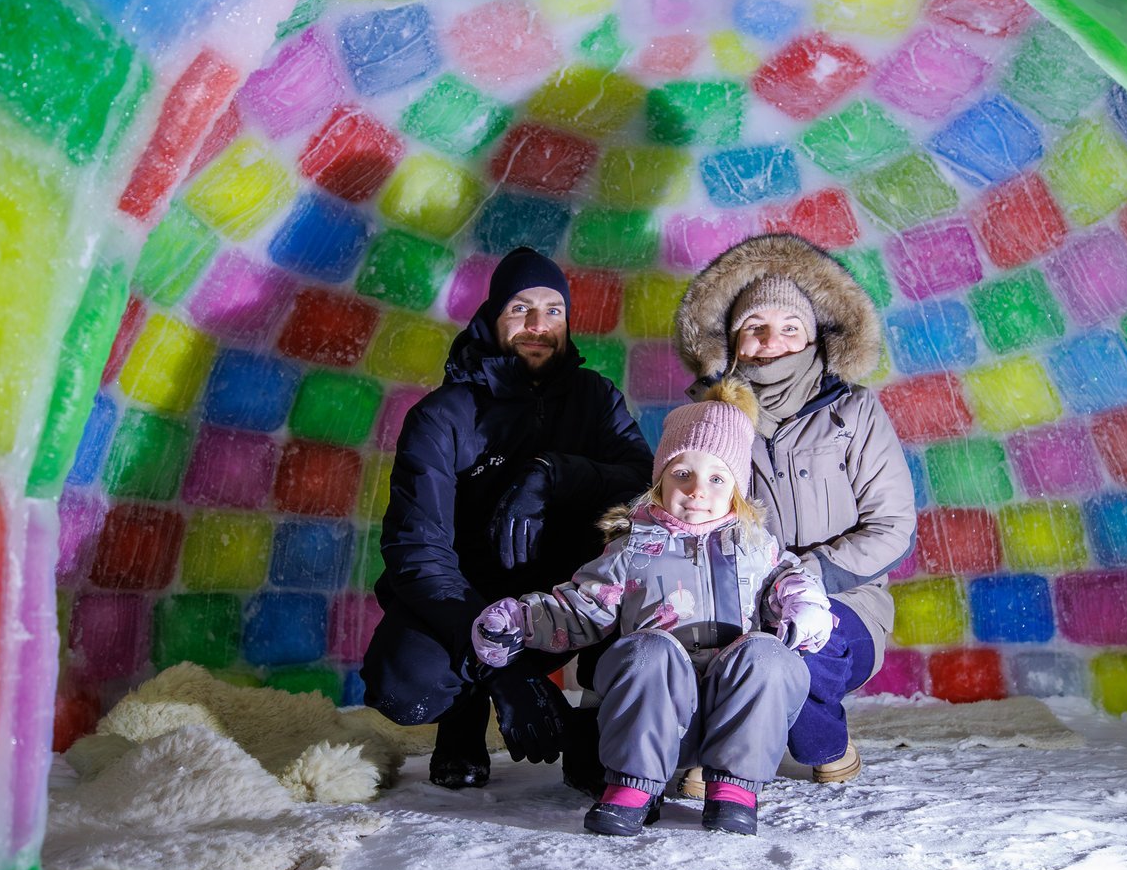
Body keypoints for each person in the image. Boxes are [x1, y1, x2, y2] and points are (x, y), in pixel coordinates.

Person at [468, 383, 832, 837]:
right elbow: (579, 609)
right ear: (660, 479)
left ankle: (735, 790)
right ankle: (633, 787)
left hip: (735, 710)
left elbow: (795, 583)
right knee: (649, 651)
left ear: (736, 490)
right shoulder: (631, 550)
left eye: (716, 479)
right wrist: (520, 621)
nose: (697, 490)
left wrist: (806, 607)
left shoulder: (759, 548)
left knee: (768, 656)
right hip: (652, 714)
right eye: (683, 473)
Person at [362, 246, 653, 790]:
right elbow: (415, 551)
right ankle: (462, 721)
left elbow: (645, 486)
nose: (538, 326)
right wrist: (503, 665)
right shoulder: (441, 416)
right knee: (405, 682)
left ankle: (594, 726)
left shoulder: (596, 398)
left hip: (568, 593)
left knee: (649, 585)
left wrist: (553, 472)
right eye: (520, 309)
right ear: (491, 317)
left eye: (553, 311)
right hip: (466, 597)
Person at [673, 232, 917, 787]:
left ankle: (823, 741)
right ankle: (713, 750)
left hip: (844, 596)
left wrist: (806, 575)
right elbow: (679, 514)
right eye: (755, 327)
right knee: (702, 652)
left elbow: (893, 525)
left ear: (814, 335)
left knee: (803, 652)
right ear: (733, 343)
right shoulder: (711, 420)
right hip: (734, 597)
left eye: (790, 327)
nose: (773, 340)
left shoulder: (854, 412)